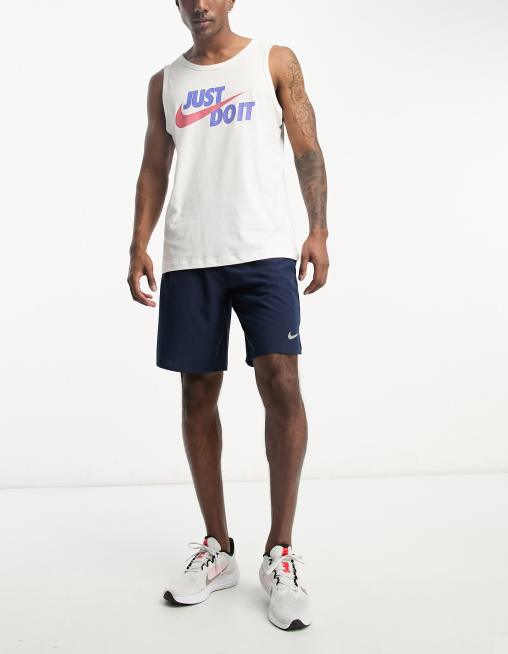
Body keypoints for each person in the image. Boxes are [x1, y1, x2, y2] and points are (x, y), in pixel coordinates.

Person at [127, 0, 329, 632]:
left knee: (282, 383)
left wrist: (318, 230)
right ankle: (218, 549)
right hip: (191, 254)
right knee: (197, 394)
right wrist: (138, 243)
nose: (199, 4)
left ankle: (280, 552)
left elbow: (307, 148)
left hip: (263, 250)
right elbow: (154, 165)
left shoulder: (274, 61)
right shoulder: (166, 82)